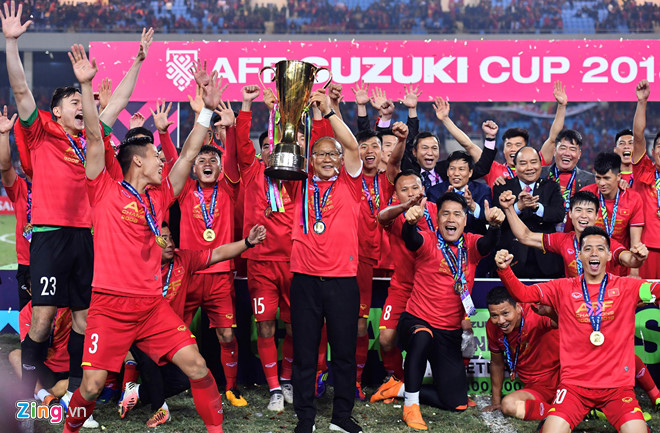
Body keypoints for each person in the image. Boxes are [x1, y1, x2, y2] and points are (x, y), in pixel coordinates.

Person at [2, 6, 151, 429]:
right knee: (43, 319)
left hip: (86, 237)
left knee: (85, 320)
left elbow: (117, 102)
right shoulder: (40, 132)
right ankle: (26, 405)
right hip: (51, 236)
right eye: (73, 103)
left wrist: (138, 62)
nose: (80, 108)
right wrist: (10, 43)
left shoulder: (90, 139)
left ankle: (71, 400)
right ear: (57, 111)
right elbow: (20, 89)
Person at [61, 49, 225, 433]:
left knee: (197, 366)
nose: (161, 160)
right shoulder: (104, 189)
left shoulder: (160, 196)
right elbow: (95, 137)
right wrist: (85, 86)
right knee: (91, 385)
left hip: (151, 307)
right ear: (137, 161)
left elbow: (187, 154)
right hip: (109, 306)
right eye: (155, 155)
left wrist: (206, 111)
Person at [495, 226, 658, 433]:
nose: (594, 253)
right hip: (574, 388)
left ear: (609, 255)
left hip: (618, 389)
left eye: (600, 248)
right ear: (579, 255)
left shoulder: (628, 287)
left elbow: (655, 290)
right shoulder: (561, 287)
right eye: (588, 249)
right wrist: (504, 270)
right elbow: (524, 294)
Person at [119, 221, 266, 427]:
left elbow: (218, 253)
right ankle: (160, 409)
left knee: (183, 379)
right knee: (148, 358)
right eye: (164, 239)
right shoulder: (135, 266)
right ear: (150, 243)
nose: (170, 243)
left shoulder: (183, 259)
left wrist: (248, 242)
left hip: (169, 336)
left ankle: (137, 392)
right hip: (141, 331)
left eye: (171, 238)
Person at [287, 89, 364, 433]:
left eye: (333, 153)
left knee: (344, 353)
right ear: (311, 159)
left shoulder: (350, 182)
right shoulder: (299, 183)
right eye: (321, 153)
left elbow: (352, 146)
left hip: (342, 281)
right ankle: (305, 418)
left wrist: (330, 111)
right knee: (305, 353)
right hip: (304, 279)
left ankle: (341, 417)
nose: (328, 158)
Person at [397, 192, 504, 430]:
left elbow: (488, 244)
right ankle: (411, 406)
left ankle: (400, 389)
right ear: (437, 220)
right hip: (417, 320)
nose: (450, 219)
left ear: (465, 220)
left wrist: (495, 226)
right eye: (445, 214)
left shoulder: (471, 244)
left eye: (457, 214)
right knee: (422, 335)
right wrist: (410, 223)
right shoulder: (428, 240)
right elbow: (411, 240)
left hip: (448, 333)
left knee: (456, 403)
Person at [176, 101, 247, 406]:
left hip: (220, 277)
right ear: (194, 168)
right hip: (189, 274)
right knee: (174, 332)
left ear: (219, 168)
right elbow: (182, 157)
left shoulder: (229, 190)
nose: (207, 163)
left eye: (213, 160)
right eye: (202, 160)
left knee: (226, 336)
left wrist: (230, 130)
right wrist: (172, 130)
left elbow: (232, 161)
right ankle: (174, 384)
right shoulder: (183, 191)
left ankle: (231, 387)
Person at [232, 84, 296, 411]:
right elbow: (241, 142)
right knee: (266, 325)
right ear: (261, 152)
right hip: (260, 262)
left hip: (294, 261)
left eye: (277, 145)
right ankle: (274, 389)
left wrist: (281, 111)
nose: (272, 150)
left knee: (295, 326)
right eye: (267, 146)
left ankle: (287, 380)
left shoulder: (296, 176)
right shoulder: (252, 170)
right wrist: (247, 103)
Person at [353, 123, 406, 400]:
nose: (369, 150)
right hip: (356, 260)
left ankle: (395, 377)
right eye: (363, 146)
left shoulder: (386, 180)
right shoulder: (348, 178)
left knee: (390, 326)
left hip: (388, 261)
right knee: (358, 325)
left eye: (375, 145)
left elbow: (395, 162)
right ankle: (353, 380)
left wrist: (401, 140)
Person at [371, 170, 435, 395]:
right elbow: (381, 217)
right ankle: (397, 381)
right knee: (386, 339)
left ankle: (449, 382)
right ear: (396, 194)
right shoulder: (395, 213)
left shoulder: (437, 211)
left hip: (433, 289)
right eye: (404, 190)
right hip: (402, 288)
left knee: (447, 339)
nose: (411, 193)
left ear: (423, 189)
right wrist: (405, 207)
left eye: (415, 188)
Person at [498, 190, 647, 277]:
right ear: (570, 214)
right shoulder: (563, 240)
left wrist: (638, 258)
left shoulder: (607, 243)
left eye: (589, 211)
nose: (583, 215)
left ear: (596, 216)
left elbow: (629, 260)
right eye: (578, 210)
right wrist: (509, 208)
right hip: (573, 305)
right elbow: (525, 236)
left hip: (605, 304)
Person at [482, 286, 560, 422]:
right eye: (494, 315)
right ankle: (560, 413)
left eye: (505, 313)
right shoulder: (492, 327)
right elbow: (497, 364)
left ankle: (565, 409)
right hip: (536, 388)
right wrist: (496, 402)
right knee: (508, 405)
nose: (501, 321)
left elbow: (563, 322)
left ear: (518, 307)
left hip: (563, 379)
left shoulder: (535, 312)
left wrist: (551, 313)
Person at [492, 146, 565, 278]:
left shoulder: (551, 186)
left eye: (533, 162)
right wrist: (518, 207)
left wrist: (537, 207)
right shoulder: (502, 187)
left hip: (546, 261)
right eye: (523, 163)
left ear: (540, 164)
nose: (529, 167)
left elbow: (559, 214)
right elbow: (497, 221)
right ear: (515, 166)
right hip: (512, 259)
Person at [484, 81, 567, 188]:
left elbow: (553, 139)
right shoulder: (493, 170)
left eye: (518, 145)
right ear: (503, 150)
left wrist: (561, 106)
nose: (513, 149)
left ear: (526, 149)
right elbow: (470, 146)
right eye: (509, 145)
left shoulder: (536, 165)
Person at [580, 152, 644, 276]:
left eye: (606, 178)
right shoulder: (586, 195)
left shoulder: (633, 199)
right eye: (598, 178)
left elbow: (635, 241)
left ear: (618, 176)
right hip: (591, 262)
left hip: (621, 263)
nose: (601, 183)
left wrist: (634, 271)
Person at [0, 105, 31, 310]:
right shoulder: (20, 187)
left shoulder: (55, 186)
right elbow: (4, 167)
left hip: (54, 259)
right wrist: (4, 135)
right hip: (27, 262)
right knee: (29, 315)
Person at [630, 79, 660, 279]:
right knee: (646, 295)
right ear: (653, 151)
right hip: (646, 250)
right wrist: (642, 102)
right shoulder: (644, 170)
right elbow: (638, 136)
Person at [540, 130, 595, 230]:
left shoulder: (590, 180)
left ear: (579, 154)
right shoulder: (540, 174)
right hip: (542, 235)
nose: (567, 153)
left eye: (572, 149)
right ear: (554, 151)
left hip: (574, 236)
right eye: (563, 148)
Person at [427, 151, 492, 235]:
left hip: (474, 240)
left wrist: (473, 206)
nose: (456, 174)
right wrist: (443, 202)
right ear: (447, 172)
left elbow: (488, 219)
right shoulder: (434, 191)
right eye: (452, 169)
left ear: (470, 172)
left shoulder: (483, 190)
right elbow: (431, 221)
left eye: (461, 169)